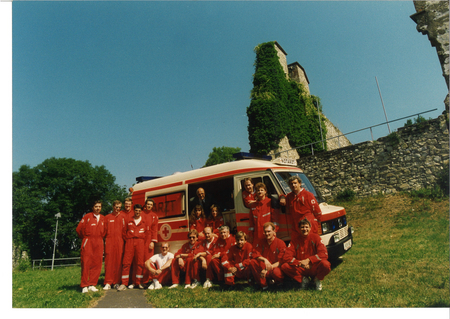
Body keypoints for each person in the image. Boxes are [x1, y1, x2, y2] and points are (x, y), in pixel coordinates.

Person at [281, 218, 331, 291]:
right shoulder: (295, 241)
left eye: (306, 227)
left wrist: (309, 260)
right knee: (285, 266)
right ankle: (304, 280)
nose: (304, 229)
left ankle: (317, 279)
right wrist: (300, 263)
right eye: (302, 227)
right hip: (301, 267)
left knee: (326, 265)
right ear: (299, 229)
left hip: (313, 266)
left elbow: (324, 254)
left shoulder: (316, 237)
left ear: (310, 228)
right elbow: (286, 257)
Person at [76, 201, 106, 293]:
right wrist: (85, 238)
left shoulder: (103, 218)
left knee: (97, 263)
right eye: (96, 206)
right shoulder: (87, 216)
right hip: (88, 241)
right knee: (86, 263)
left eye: (99, 207)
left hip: (99, 242)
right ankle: (84, 285)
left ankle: (92, 284)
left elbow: (105, 231)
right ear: (93, 207)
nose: (98, 208)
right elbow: (79, 229)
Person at [117, 204, 147, 291]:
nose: (137, 212)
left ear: (141, 211)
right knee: (126, 262)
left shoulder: (144, 221)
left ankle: (139, 282)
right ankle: (124, 283)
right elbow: (123, 232)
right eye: (136, 210)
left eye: (139, 211)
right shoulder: (128, 220)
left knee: (140, 263)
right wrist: (129, 238)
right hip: (130, 242)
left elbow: (147, 233)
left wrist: (141, 241)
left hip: (140, 242)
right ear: (134, 211)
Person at [249, 222, 286, 290]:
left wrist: (268, 268)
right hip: (265, 267)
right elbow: (254, 254)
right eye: (265, 232)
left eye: (269, 231)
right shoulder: (261, 242)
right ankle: (264, 285)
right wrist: (264, 260)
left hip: (274, 268)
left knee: (277, 272)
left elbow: (281, 262)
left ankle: (279, 283)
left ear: (274, 231)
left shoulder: (280, 243)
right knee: (253, 262)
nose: (266, 234)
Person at [103, 200, 126, 290]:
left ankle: (116, 282)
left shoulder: (123, 217)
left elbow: (125, 231)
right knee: (109, 262)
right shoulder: (107, 217)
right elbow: (104, 231)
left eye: (119, 207)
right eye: (116, 207)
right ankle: (108, 282)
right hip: (109, 241)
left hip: (119, 241)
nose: (118, 209)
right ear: (113, 207)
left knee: (118, 262)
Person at [142, 198, 159, 286]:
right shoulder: (140, 213)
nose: (149, 206)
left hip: (149, 239)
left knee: (148, 259)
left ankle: (147, 279)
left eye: (151, 205)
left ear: (152, 206)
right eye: (148, 204)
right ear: (145, 205)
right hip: (140, 238)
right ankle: (138, 280)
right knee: (139, 259)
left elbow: (154, 230)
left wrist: (153, 241)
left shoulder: (154, 216)